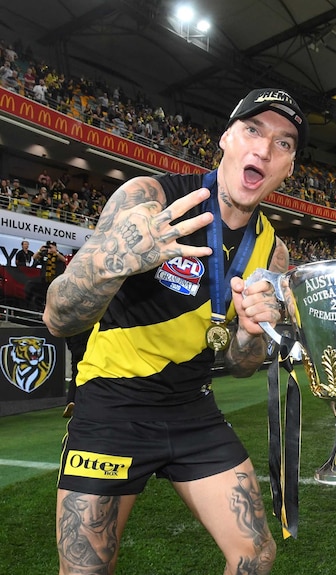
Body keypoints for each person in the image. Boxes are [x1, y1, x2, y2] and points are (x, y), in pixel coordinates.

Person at [43, 87, 310, 575]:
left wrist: (251, 334)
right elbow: (58, 317)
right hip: (112, 402)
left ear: (288, 169)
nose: (265, 149)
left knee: (255, 557)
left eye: (284, 143)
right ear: (226, 139)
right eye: (253, 130)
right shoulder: (149, 197)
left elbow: (240, 365)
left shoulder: (273, 253)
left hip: (192, 408)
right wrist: (115, 260)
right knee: (86, 569)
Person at [26, 241, 66, 309]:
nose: (50, 249)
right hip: (44, 279)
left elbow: (64, 259)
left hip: (55, 280)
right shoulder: (44, 254)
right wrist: (40, 250)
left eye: (51, 247)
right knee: (44, 294)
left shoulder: (58, 254)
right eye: (49, 247)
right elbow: (34, 257)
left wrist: (55, 252)